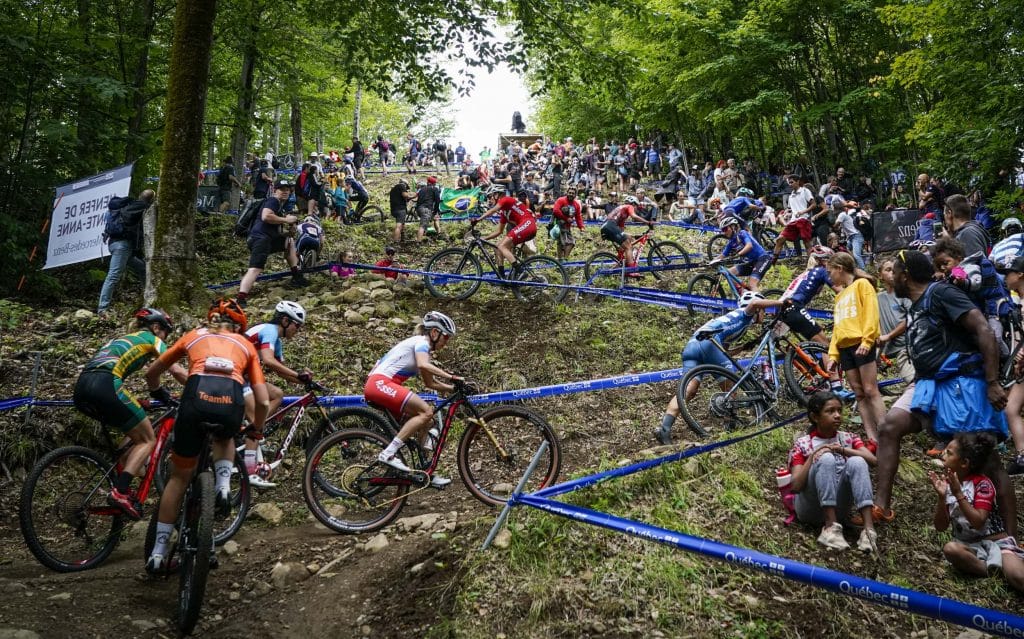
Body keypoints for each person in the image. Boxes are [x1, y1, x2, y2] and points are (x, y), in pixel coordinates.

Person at [873, 250, 1013, 536]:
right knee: (890, 426)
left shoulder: (942, 294)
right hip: (928, 384)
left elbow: (983, 329)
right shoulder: (914, 306)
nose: (890, 277)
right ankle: (880, 507)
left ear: (905, 274)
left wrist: (992, 381)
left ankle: (1011, 538)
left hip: (962, 384)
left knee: (988, 461)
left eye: (894, 271)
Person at [144, 298, 268, 573]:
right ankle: (223, 486)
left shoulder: (193, 336)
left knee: (178, 478)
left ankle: (158, 552)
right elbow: (262, 401)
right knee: (224, 437)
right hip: (230, 401)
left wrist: (156, 391)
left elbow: (153, 372)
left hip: (194, 399)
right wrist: (256, 429)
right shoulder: (246, 346)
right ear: (237, 327)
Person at [72, 309, 187, 518]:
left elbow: (150, 378)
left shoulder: (122, 339)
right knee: (147, 440)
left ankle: (123, 473)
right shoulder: (151, 338)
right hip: (106, 384)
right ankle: (121, 491)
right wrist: (200, 385)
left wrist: (157, 392)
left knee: (132, 433)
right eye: (165, 333)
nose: (165, 338)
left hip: (82, 387)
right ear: (156, 327)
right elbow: (176, 370)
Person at [655, 291, 767, 444]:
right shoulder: (745, 315)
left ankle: (664, 428)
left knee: (688, 391)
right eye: (765, 310)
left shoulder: (729, 320)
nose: (765, 314)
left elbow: (723, 351)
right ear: (758, 310)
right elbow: (754, 303)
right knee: (730, 388)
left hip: (693, 346)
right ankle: (730, 425)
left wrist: (742, 348)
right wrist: (783, 302)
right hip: (709, 344)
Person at [370, 312, 462, 487]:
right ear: (434, 333)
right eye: (446, 337)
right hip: (379, 384)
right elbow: (423, 365)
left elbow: (430, 383)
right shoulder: (421, 342)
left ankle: (424, 472)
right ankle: (388, 453)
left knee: (427, 421)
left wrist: (453, 388)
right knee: (426, 411)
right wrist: (453, 377)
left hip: (380, 385)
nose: (446, 342)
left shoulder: (421, 348)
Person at [928, 432, 1024, 592]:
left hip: (996, 544)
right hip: (968, 545)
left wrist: (958, 494)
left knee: (1018, 576)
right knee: (950, 549)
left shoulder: (982, 484)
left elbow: (979, 521)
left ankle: (1003, 568)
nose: (943, 453)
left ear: (964, 463)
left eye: (949, 453)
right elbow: (940, 527)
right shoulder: (949, 483)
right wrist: (941, 497)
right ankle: (993, 572)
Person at [788, 391, 878, 552]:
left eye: (839, 411)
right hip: (810, 508)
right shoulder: (803, 444)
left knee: (857, 461)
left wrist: (843, 450)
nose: (837, 415)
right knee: (826, 458)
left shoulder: (848, 438)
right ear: (815, 417)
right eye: (830, 411)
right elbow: (795, 486)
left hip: (841, 507)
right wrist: (815, 455)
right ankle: (830, 527)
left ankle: (869, 531)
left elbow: (872, 460)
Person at [826, 252, 883, 447]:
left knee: (870, 389)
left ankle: (885, 433)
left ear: (839, 269)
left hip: (861, 343)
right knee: (859, 392)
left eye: (830, 271)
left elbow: (870, 313)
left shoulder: (862, 285)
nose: (829, 276)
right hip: (845, 347)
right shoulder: (839, 296)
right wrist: (833, 355)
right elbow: (837, 326)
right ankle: (871, 437)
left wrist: (867, 341)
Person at [237, 180, 308, 306]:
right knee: (255, 269)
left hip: (267, 238)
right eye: (282, 189)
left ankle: (296, 275)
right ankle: (241, 298)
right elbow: (266, 216)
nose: (286, 192)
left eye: (288, 189)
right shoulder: (273, 201)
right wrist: (286, 220)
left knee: (289, 241)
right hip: (260, 239)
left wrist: (290, 229)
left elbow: (277, 230)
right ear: (275, 190)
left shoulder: (279, 206)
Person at [98, 190, 155, 315]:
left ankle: (148, 298)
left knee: (143, 269)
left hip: (115, 244)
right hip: (122, 246)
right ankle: (102, 309)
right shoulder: (141, 206)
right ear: (150, 200)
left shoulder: (127, 206)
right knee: (113, 275)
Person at [994, 256, 1024, 475]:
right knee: (1011, 409)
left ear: (1020, 275)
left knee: (1011, 409)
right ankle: (1022, 456)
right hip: (1021, 366)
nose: (1005, 277)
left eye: (1008, 273)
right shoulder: (1018, 301)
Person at [476, 185, 538, 275]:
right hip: (526, 226)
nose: (489, 200)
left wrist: (478, 219)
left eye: (490, 196)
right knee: (497, 247)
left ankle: (520, 271)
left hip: (528, 224)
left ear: (497, 195)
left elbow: (493, 210)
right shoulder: (505, 212)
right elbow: (499, 231)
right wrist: (484, 238)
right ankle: (502, 276)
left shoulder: (506, 199)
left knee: (502, 246)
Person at [875, 258, 915, 383]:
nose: (892, 272)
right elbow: (879, 326)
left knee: (914, 382)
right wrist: (878, 354)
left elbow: (910, 318)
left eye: (894, 270)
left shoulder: (904, 293)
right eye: (888, 270)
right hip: (894, 349)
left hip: (910, 346)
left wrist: (889, 336)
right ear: (880, 275)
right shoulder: (878, 298)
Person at [710, 216, 772, 292]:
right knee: (729, 273)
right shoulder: (731, 242)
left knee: (752, 283)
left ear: (733, 227)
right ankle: (743, 293)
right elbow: (722, 256)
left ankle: (757, 302)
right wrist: (710, 262)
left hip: (763, 259)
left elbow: (749, 246)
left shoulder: (742, 233)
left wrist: (737, 254)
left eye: (725, 229)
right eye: (722, 230)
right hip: (753, 262)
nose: (724, 232)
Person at [600, 195, 654, 278]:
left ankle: (611, 271)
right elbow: (634, 216)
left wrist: (635, 236)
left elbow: (621, 232)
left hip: (606, 227)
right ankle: (631, 271)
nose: (636, 210)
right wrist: (647, 222)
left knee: (626, 243)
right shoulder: (629, 206)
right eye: (636, 207)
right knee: (628, 247)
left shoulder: (621, 211)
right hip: (610, 226)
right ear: (634, 204)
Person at [773, 175, 815, 259]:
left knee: (806, 243)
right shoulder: (791, 196)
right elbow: (789, 209)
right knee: (779, 240)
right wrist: (784, 214)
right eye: (789, 183)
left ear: (798, 181)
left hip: (803, 219)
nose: (790, 184)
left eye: (792, 182)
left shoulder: (805, 191)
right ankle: (772, 263)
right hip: (793, 221)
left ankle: (811, 264)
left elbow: (813, 204)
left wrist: (803, 211)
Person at [551, 185, 584, 261]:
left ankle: (564, 260)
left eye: (573, 193)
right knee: (561, 243)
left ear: (575, 195)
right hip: (559, 225)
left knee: (571, 243)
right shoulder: (561, 200)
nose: (571, 194)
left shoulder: (576, 205)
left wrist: (581, 227)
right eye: (570, 193)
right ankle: (561, 260)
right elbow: (555, 210)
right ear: (567, 192)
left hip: (567, 227)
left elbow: (578, 217)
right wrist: (566, 218)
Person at [388, 177, 416, 243]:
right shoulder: (402, 186)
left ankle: (402, 239)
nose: (406, 189)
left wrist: (410, 198)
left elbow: (404, 199)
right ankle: (395, 241)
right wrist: (413, 195)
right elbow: (406, 195)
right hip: (400, 209)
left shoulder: (393, 189)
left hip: (394, 209)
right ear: (405, 184)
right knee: (399, 225)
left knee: (402, 224)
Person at [415, 176, 442, 242]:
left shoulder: (421, 190)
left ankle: (439, 234)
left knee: (435, 218)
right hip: (426, 209)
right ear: (434, 184)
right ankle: (418, 242)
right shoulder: (434, 189)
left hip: (419, 209)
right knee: (422, 226)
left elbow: (418, 201)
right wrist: (436, 210)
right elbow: (437, 200)